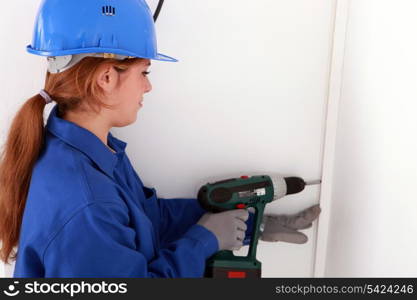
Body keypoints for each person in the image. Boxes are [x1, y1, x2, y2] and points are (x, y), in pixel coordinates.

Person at [0, 0, 321, 277]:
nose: (148, 87)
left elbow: (145, 219)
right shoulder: (86, 201)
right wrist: (204, 240)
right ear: (107, 78)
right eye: (145, 73)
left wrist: (250, 223)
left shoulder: (90, 153)